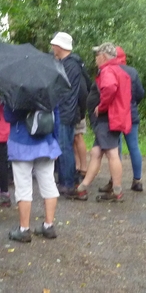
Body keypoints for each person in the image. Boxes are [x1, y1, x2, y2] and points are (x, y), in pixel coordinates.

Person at [70, 42, 132, 202]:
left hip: (108, 118)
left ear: (103, 56)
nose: (95, 59)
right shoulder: (118, 70)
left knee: (111, 153)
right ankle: (83, 188)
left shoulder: (108, 70)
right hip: (113, 117)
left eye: (97, 55)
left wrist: (101, 106)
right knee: (96, 152)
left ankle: (117, 191)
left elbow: (110, 88)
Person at [4, 102, 61, 242]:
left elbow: (8, 116)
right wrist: (56, 141)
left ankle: (24, 229)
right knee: (49, 182)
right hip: (46, 141)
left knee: (23, 187)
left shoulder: (15, 92)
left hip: (20, 142)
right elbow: (56, 117)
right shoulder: (48, 89)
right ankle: (49, 225)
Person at [99, 46, 145, 192]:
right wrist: (132, 104)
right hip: (131, 114)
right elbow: (140, 93)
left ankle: (114, 181)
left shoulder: (108, 70)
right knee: (134, 147)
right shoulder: (132, 71)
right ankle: (137, 180)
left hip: (114, 114)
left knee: (114, 148)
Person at [50, 31, 89, 194]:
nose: (52, 48)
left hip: (66, 111)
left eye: (54, 45)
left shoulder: (69, 65)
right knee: (65, 146)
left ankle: (67, 182)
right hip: (68, 110)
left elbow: (73, 91)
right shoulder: (72, 64)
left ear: (59, 46)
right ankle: (68, 179)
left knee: (65, 147)